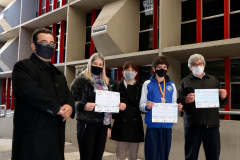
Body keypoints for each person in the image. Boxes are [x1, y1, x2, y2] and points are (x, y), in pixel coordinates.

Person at [11, 28, 75, 160]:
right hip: (32, 141)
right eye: (44, 42)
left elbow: (67, 93)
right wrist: (57, 108)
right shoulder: (23, 67)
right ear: (34, 46)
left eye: (52, 44)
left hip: (55, 140)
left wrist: (69, 106)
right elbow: (31, 93)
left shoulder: (58, 74)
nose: (49, 46)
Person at [71, 53, 126, 160]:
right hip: (87, 124)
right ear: (90, 63)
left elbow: (108, 106)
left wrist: (116, 106)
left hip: (102, 125)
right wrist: (83, 106)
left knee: (98, 156)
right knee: (87, 156)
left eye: (100, 64)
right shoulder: (80, 80)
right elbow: (71, 100)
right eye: (95, 63)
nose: (98, 66)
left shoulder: (106, 83)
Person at [177, 53, 228, 160]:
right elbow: (179, 102)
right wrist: (186, 100)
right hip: (193, 125)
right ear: (190, 67)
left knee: (213, 156)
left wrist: (223, 97)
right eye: (194, 64)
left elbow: (222, 103)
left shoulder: (213, 80)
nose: (197, 66)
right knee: (191, 156)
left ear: (204, 65)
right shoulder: (185, 82)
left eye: (200, 64)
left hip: (212, 125)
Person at [139, 56, 183, 160]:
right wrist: (147, 106)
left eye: (164, 67)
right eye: (159, 67)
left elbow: (173, 103)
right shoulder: (147, 84)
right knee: (151, 155)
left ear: (167, 69)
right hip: (152, 125)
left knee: (164, 155)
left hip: (167, 126)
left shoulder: (171, 85)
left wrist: (177, 107)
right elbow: (141, 104)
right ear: (154, 69)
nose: (162, 69)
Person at [111, 61, 144, 160]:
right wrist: (117, 106)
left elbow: (143, 106)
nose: (130, 72)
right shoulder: (116, 86)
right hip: (121, 125)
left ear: (136, 73)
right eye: (127, 69)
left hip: (135, 125)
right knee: (120, 156)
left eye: (132, 70)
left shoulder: (141, 87)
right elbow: (110, 107)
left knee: (133, 156)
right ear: (122, 72)